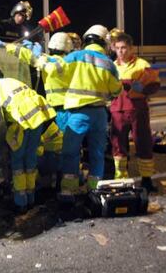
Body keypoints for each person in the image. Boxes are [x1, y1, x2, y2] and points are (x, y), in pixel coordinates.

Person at [0, 61, 56, 212]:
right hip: (37, 119)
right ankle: (31, 197)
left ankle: (21, 202)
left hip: (20, 124)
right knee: (31, 158)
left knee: (18, 162)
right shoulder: (12, 81)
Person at [57, 25, 122, 202]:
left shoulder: (75, 57)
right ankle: (94, 192)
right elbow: (116, 90)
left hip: (78, 114)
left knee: (71, 152)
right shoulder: (109, 64)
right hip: (100, 114)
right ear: (103, 42)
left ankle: (68, 193)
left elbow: (56, 72)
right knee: (97, 153)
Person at [110, 32, 160, 192]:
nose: (121, 51)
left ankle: (146, 179)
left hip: (138, 111)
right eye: (117, 48)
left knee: (143, 143)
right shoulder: (112, 66)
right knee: (118, 145)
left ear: (131, 48)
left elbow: (155, 85)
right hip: (118, 111)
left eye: (124, 48)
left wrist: (143, 88)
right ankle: (121, 179)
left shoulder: (141, 64)